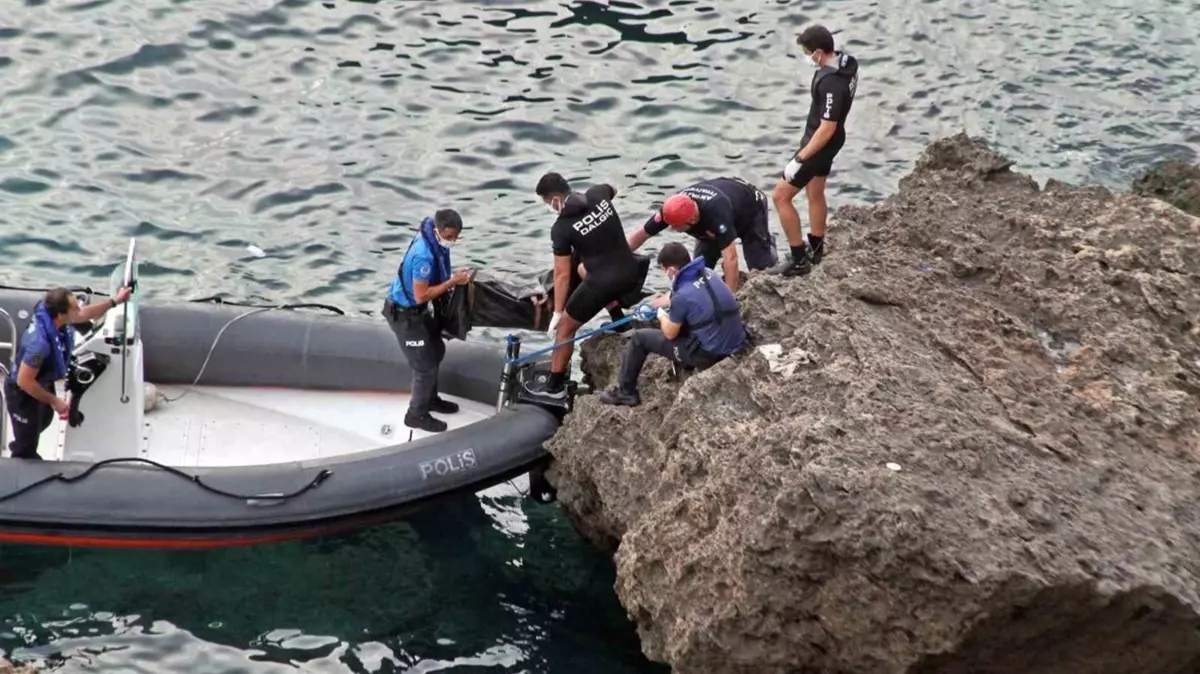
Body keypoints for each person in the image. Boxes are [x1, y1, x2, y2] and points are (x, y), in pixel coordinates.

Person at [534, 171, 642, 401]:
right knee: (582, 268)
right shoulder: (598, 194)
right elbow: (614, 185)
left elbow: (562, 276)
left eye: (548, 203)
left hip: (605, 283)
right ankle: (621, 324)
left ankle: (554, 387)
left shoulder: (561, 229)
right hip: (631, 271)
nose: (551, 208)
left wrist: (557, 312)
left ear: (555, 200)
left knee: (565, 329)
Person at [598, 242, 747, 407]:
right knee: (691, 318)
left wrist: (661, 315)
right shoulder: (708, 273)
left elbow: (670, 333)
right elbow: (678, 295)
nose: (665, 274)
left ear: (671, 270)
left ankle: (626, 392)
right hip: (735, 342)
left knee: (640, 338)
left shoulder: (682, 297)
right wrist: (653, 305)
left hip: (710, 354)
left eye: (664, 270)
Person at [5, 285, 133, 460]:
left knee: (45, 418)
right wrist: (55, 400)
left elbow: (83, 314)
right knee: (26, 440)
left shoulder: (56, 317)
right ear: (61, 314)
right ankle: (21, 460)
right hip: (23, 392)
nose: (79, 309)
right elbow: (24, 381)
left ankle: (26, 439)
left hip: (42, 379)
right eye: (74, 307)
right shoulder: (39, 345)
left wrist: (115, 301)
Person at [772, 24, 859, 277]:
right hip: (831, 141)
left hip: (819, 144)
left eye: (808, 52)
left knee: (780, 196)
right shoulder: (847, 62)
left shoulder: (831, 83)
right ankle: (817, 247)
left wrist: (800, 158)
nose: (807, 57)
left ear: (820, 53)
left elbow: (827, 127)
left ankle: (799, 258)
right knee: (815, 191)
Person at [383, 209, 471, 433]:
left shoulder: (434, 242)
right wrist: (452, 281)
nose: (452, 242)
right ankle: (416, 414)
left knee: (436, 349)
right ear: (437, 231)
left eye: (455, 238)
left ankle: (431, 399)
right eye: (449, 237)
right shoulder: (423, 255)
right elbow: (421, 294)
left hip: (418, 311)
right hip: (404, 314)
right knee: (424, 366)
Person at [625, 177, 776, 292]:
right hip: (711, 226)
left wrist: (730, 298)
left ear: (692, 219)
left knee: (761, 271)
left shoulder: (716, 213)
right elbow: (642, 233)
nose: (671, 228)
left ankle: (769, 247)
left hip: (750, 209)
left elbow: (731, 257)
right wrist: (617, 255)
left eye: (676, 226)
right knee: (698, 274)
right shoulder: (673, 208)